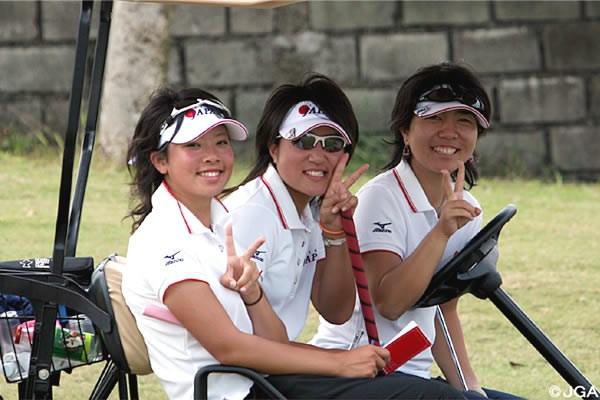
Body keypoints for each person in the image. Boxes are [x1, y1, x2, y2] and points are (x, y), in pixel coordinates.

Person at [121, 88, 392, 400]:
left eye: (221, 142)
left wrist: (253, 294)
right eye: (193, 145)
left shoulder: (220, 225)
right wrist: (339, 363)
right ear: (160, 161)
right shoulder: (163, 239)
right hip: (235, 393)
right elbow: (228, 347)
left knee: (425, 393)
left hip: (260, 385)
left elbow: (276, 338)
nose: (212, 155)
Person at [222, 74, 465, 399]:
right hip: (246, 384)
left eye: (333, 144)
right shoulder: (254, 213)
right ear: (273, 148)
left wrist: (334, 232)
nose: (318, 156)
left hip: (273, 372)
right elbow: (245, 343)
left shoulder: (305, 211)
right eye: (304, 141)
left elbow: (336, 311)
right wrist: (340, 362)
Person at [310, 62, 526, 399]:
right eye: (434, 119)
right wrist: (440, 234)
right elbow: (390, 303)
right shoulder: (380, 198)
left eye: (464, 122)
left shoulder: (466, 206)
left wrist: (472, 389)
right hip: (355, 373)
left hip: (411, 374)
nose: (449, 133)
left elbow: (443, 311)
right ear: (405, 132)